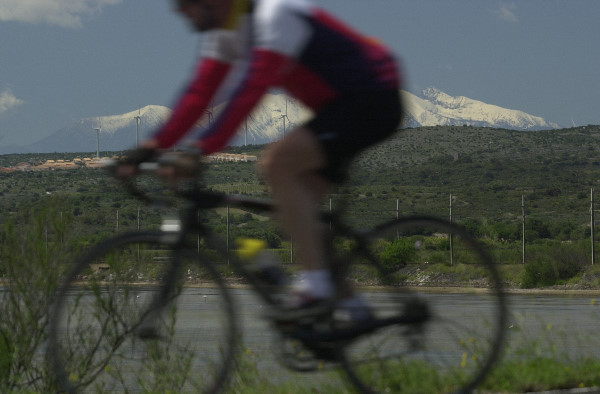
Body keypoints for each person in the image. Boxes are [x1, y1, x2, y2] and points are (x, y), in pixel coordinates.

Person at [119, 0, 403, 320]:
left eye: (185, 3)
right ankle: (352, 306)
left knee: (275, 165)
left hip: (372, 96)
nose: (178, 10)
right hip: (337, 107)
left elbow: (250, 90)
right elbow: (200, 93)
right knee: (297, 211)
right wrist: (151, 147)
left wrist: (199, 150)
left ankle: (316, 286)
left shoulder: (275, 14)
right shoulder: (226, 31)